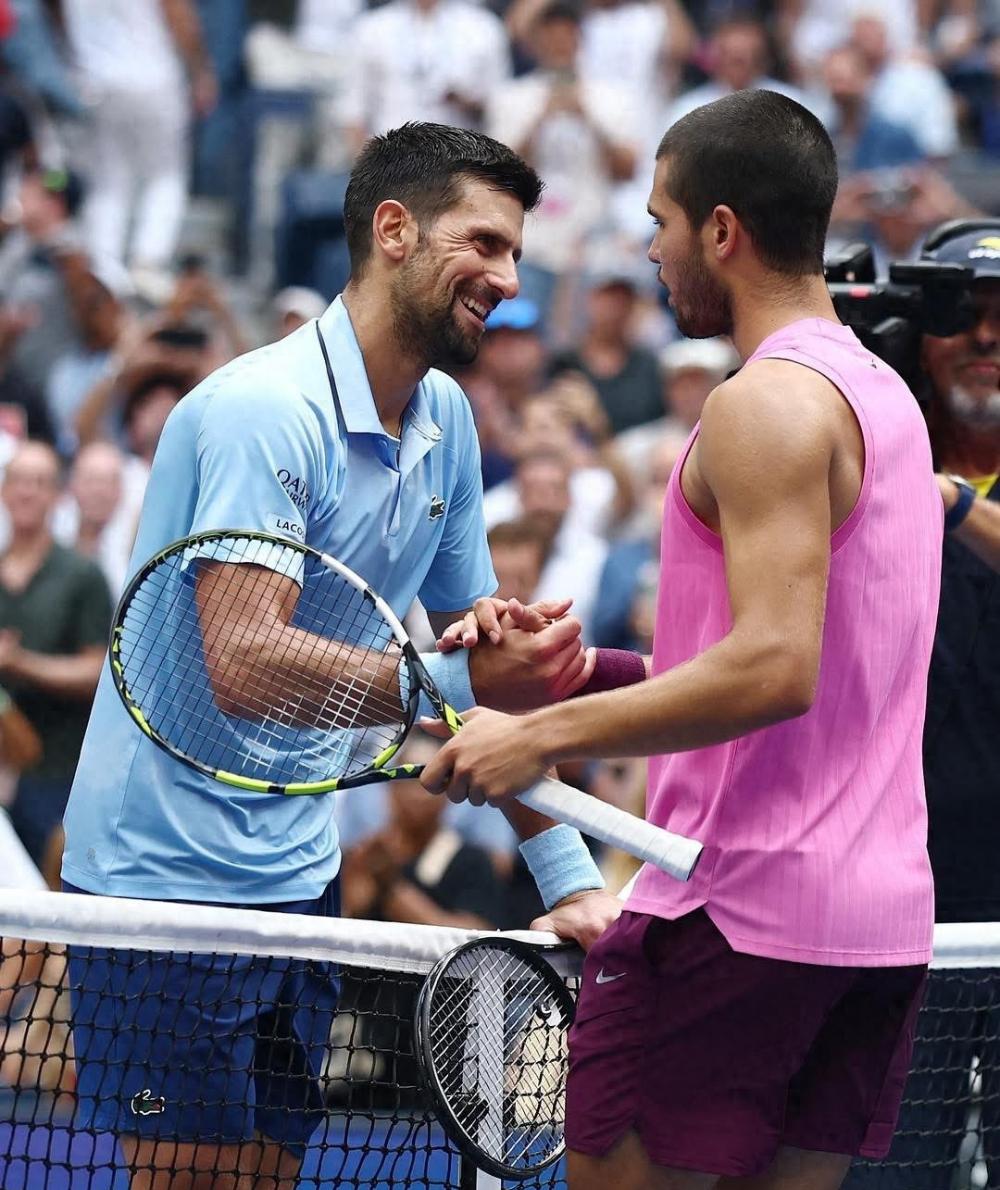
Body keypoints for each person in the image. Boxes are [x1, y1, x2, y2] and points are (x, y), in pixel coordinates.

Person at [59, 122, 619, 1190]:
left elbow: (479, 667)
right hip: (159, 884)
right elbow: (244, 660)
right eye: (485, 244)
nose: (507, 278)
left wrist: (566, 875)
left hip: (300, 873)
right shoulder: (260, 411)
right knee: (188, 1181)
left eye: (515, 252)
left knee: (269, 1177)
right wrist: (454, 680)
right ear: (395, 231)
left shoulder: (446, 417)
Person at [424, 90, 943, 1189]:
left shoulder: (763, 406)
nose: (649, 248)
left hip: (736, 912)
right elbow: (814, 664)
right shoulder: (888, 400)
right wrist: (592, 671)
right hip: (874, 928)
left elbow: (772, 669)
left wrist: (537, 734)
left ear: (720, 230)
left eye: (659, 219)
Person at [842, 222, 1000, 1188]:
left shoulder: (921, 489)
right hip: (901, 916)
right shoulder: (856, 461)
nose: (986, 339)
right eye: (960, 318)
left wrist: (946, 498)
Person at [0, 442, 112, 868]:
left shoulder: (81, 574)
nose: (27, 492)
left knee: (46, 911)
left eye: (40, 482)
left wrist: (19, 663)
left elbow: (100, 669)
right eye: (19, 481)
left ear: (57, 495)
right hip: (3, 771)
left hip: (58, 774)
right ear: (4, 491)